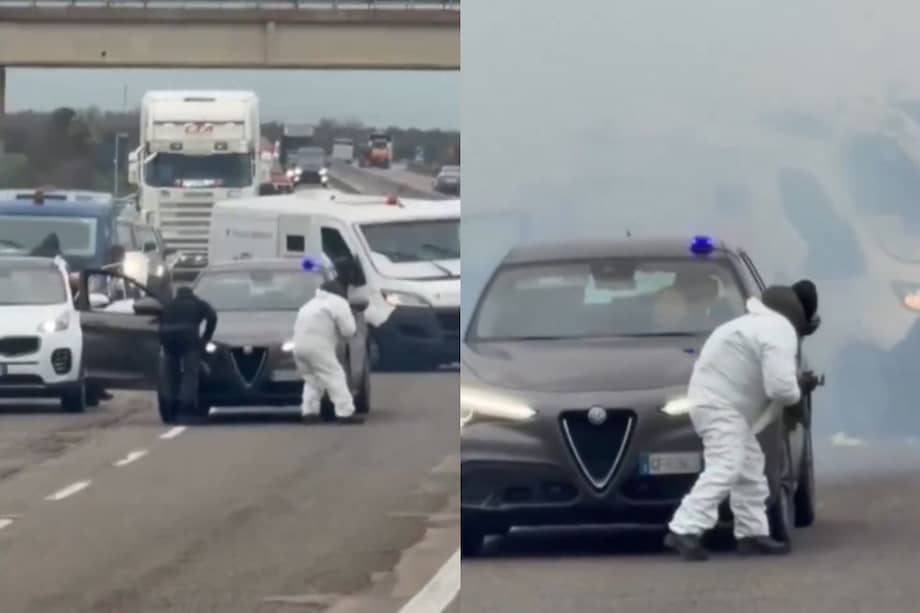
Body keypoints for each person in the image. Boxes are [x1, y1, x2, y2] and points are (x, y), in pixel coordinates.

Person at [665, 285, 821, 561]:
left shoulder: (748, 324)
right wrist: (799, 387)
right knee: (727, 464)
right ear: (799, 317)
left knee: (749, 468)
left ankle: (752, 534)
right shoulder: (780, 329)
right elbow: (780, 389)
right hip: (722, 406)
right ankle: (684, 528)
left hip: (717, 404)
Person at [292, 278, 364, 425]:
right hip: (318, 346)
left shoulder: (308, 305)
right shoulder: (338, 302)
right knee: (335, 376)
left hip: (298, 347)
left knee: (312, 379)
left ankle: (309, 413)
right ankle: (345, 413)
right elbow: (348, 331)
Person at [158, 286, 217, 422]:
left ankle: (169, 404)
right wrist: (206, 337)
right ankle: (186, 407)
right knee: (190, 372)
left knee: (169, 373)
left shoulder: (169, 305)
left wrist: (161, 340)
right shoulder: (198, 303)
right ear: (191, 294)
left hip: (167, 339)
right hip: (188, 340)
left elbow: (158, 321)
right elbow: (212, 316)